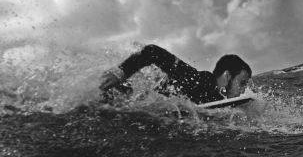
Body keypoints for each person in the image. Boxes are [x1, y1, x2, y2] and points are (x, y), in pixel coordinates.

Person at [100, 44, 252, 104]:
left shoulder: (213, 97)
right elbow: (153, 52)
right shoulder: (196, 80)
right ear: (227, 76)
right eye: (242, 82)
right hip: (123, 97)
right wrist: (120, 73)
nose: (243, 89)